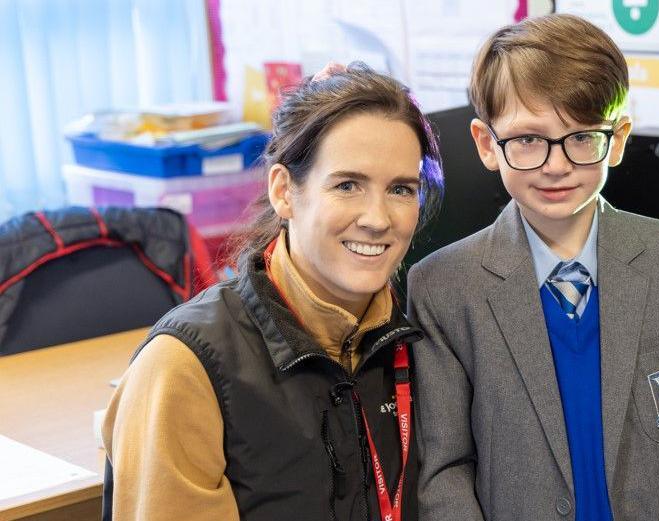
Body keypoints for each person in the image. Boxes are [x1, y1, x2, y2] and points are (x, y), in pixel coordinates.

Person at [407, 14, 659, 521]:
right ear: (485, 143)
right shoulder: (441, 287)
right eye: (527, 139)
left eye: (582, 136)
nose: (556, 164)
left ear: (619, 139)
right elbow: (445, 470)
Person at [102, 62, 443, 521]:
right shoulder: (183, 368)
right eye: (347, 185)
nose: (378, 218)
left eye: (401, 189)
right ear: (284, 191)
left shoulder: (422, 333)